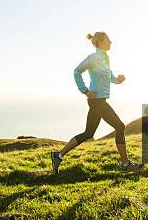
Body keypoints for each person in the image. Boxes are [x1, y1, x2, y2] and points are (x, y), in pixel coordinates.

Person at [51, 31, 143, 173]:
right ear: (100, 42)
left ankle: (58, 155)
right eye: (108, 40)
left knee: (88, 133)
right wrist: (85, 90)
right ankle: (125, 164)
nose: (111, 42)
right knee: (120, 126)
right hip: (97, 101)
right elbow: (76, 72)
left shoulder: (105, 59)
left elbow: (109, 77)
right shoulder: (93, 58)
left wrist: (117, 80)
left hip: (99, 100)